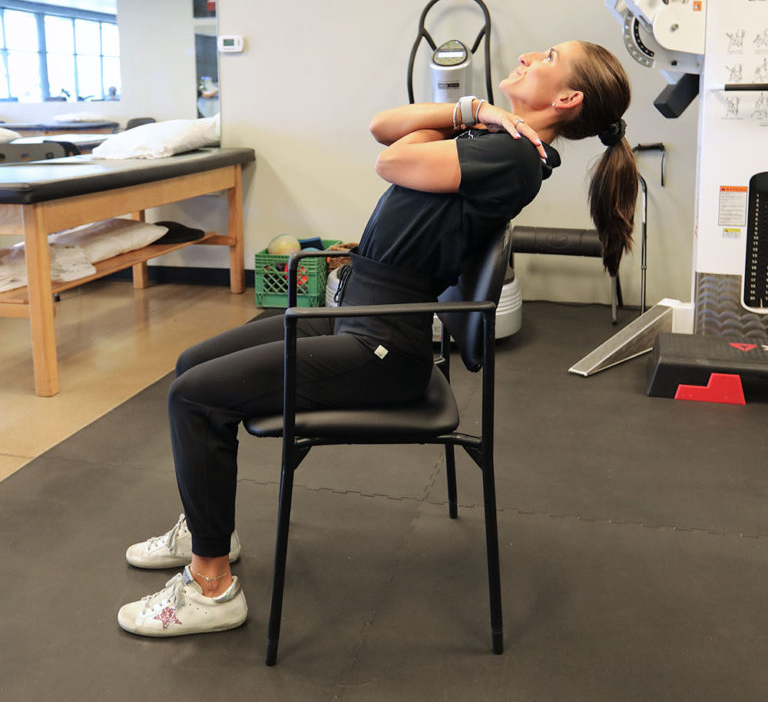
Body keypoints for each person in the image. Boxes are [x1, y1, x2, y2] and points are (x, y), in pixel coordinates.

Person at [117, 40, 638, 637]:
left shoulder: (515, 158)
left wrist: (461, 127)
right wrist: (474, 110)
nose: (527, 56)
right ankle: (208, 524)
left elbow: (389, 158)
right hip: (360, 311)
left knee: (195, 397)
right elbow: (382, 128)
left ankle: (211, 587)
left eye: (547, 57)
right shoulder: (495, 137)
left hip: (382, 348)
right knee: (190, 364)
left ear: (567, 97)